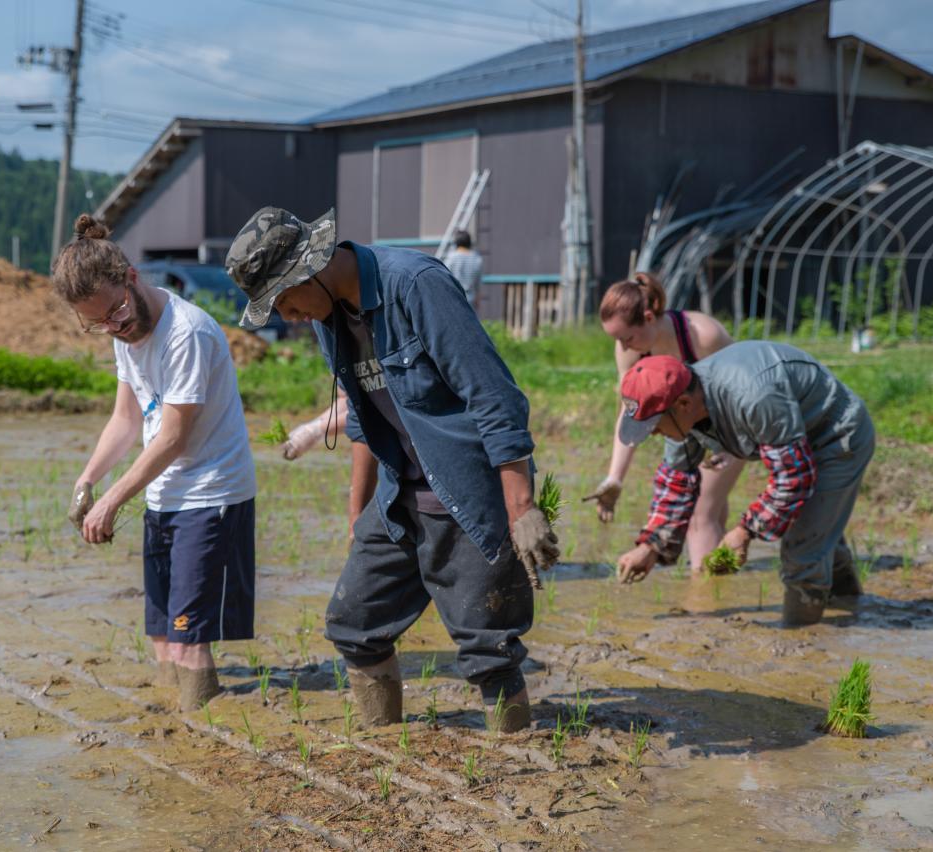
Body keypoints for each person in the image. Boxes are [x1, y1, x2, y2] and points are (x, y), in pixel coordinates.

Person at [226, 207, 558, 733]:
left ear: (309, 270)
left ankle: (519, 751)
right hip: (397, 495)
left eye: (285, 301)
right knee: (353, 624)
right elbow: (361, 417)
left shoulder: (416, 285)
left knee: (487, 647)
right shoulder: (328, 317)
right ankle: (384, 743)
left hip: (467, 494)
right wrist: (358, 513)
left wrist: (522, 508)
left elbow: (495, 397)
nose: (288, 316)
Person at [56, 214, 257, 711]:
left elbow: (171, 438)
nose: (113, 326)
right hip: (165, 495)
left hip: (210, 495)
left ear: (131, 277)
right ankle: (176, 720)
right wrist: (87, 480)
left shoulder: (186, 334)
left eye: (116, 311)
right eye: (98, 322)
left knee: (189, 638)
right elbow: (125, 420)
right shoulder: (125, 337)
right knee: (163, 634)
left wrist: (110, 501)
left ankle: (201, 728)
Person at [612, 344, 874, 626]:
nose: (653, 435)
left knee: (802, 553)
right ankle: (851, 611)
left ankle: (801, 647)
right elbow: (676, 482)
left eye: (654, 426)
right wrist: (650, 546)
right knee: (818, 532)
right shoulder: (680, 406)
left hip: (835, 438)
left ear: (684, 404)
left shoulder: (753, 395)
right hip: (794, 442)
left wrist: (745, 531)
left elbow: (793, 478)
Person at [585, 273, 744, 573]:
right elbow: (630, 411)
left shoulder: (703, 335)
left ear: (648, 317)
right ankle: (721, 582)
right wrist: (615, 479)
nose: (622, 346)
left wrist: (725, 445)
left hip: (728, 427)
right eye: (616, 340)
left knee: (701, 514)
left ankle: (703, 600)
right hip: (686, 433)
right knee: (712, 512)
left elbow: (737, 389)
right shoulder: (629, 350)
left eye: (626, 337)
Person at [441, 230, 483, 311]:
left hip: (454, 296)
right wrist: (478, 298)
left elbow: (445, 278)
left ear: (456, 242)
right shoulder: (477, 258)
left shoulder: (451, 258)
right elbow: (478, 282)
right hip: (470, 298)